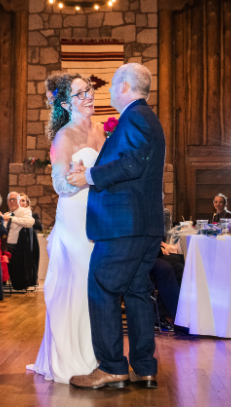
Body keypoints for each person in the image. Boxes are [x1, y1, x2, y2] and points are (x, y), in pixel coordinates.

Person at [67, 63, 165, 390]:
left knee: (103, 289)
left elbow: (132, 164)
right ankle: (143, 367)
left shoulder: (136, 117)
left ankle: (111, 367)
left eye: (111, 86)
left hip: (123, 226)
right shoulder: (145, 118)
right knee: (137, 293)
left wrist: (90, 176)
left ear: (124, 87)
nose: (108, 93)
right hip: (142, 226)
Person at [27, 72, 104, 384]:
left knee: (97, 286)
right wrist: (78, 177)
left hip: (99, 215)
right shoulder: (64, 137)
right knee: (78, 284)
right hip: (75, 219)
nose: (88, 96)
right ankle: (72, 357)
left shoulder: (101, 130)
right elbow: (60, 185)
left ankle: (97, 355)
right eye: (80, 93)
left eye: (89, 90)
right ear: (65, 104)